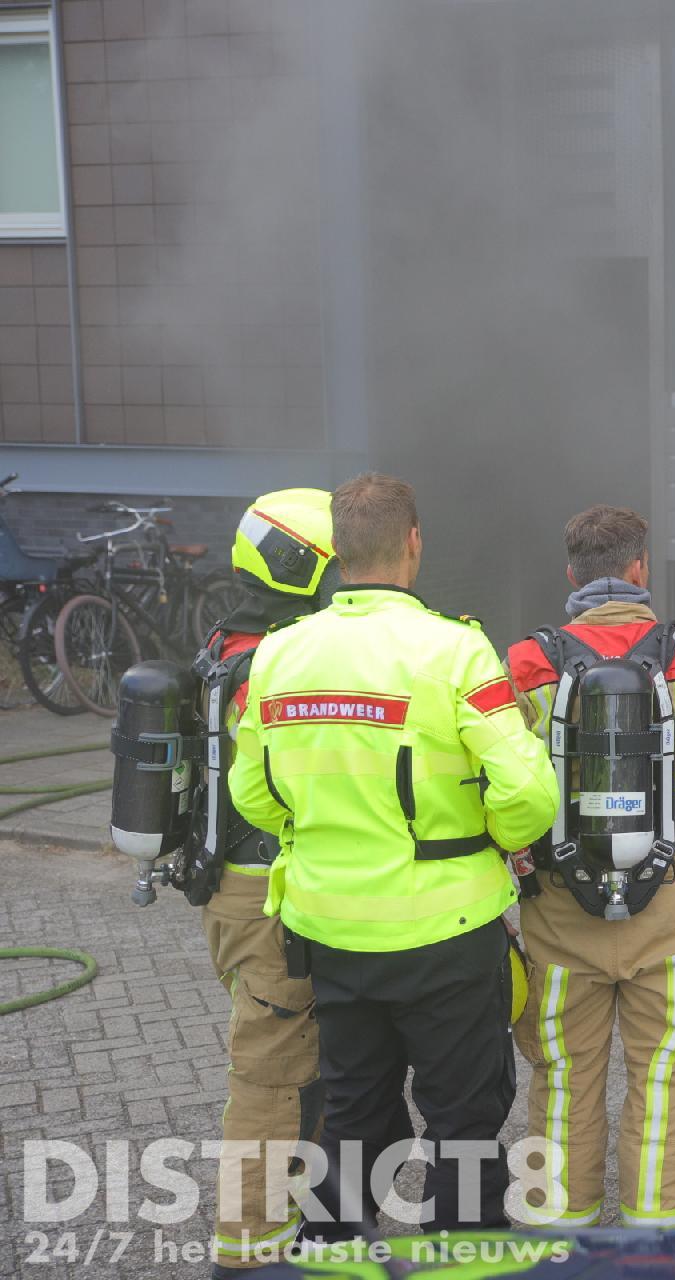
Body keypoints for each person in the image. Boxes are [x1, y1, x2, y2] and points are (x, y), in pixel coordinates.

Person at [229, 473, 559, 1241]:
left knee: (354, 1111)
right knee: (464, 1121)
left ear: (338, 553)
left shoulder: (277, 655)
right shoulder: (455, 648)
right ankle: (460, 1257)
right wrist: (494, 837)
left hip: (331, 930)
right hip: (446, 930)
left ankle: (329, 1251)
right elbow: (528, 795)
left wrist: (327, 832)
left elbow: (254, 795)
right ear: (414, 543)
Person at [504, 504, 675, 1229]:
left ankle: (560, 1237)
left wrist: (516, 864)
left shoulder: (526, 662)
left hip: (560, 909)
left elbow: (498, 789)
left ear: (571, 575)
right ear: (639, 570)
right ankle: (658, 1239)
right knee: (665, 1074)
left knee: (562, 1076)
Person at [192, 489, 338, 1277]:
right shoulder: (274, 665)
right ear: (302, 567)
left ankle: (303, 1232)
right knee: (274, 1076)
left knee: (304, 1070)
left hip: (233, 892)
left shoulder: (226, 639)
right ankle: (246, 1253)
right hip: (268, 898)